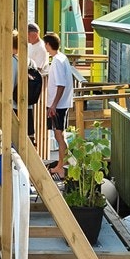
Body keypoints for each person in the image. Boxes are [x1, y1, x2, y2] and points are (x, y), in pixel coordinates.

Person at [43, 32, 75, 180]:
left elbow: (60, 85)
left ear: (48, 45)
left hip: (59, 104)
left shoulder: (56, 61)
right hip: (64, 102)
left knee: (58, 135)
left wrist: (53, 105)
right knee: (60, 135)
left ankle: (61, 166)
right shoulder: (63, 58)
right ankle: (64, 164)